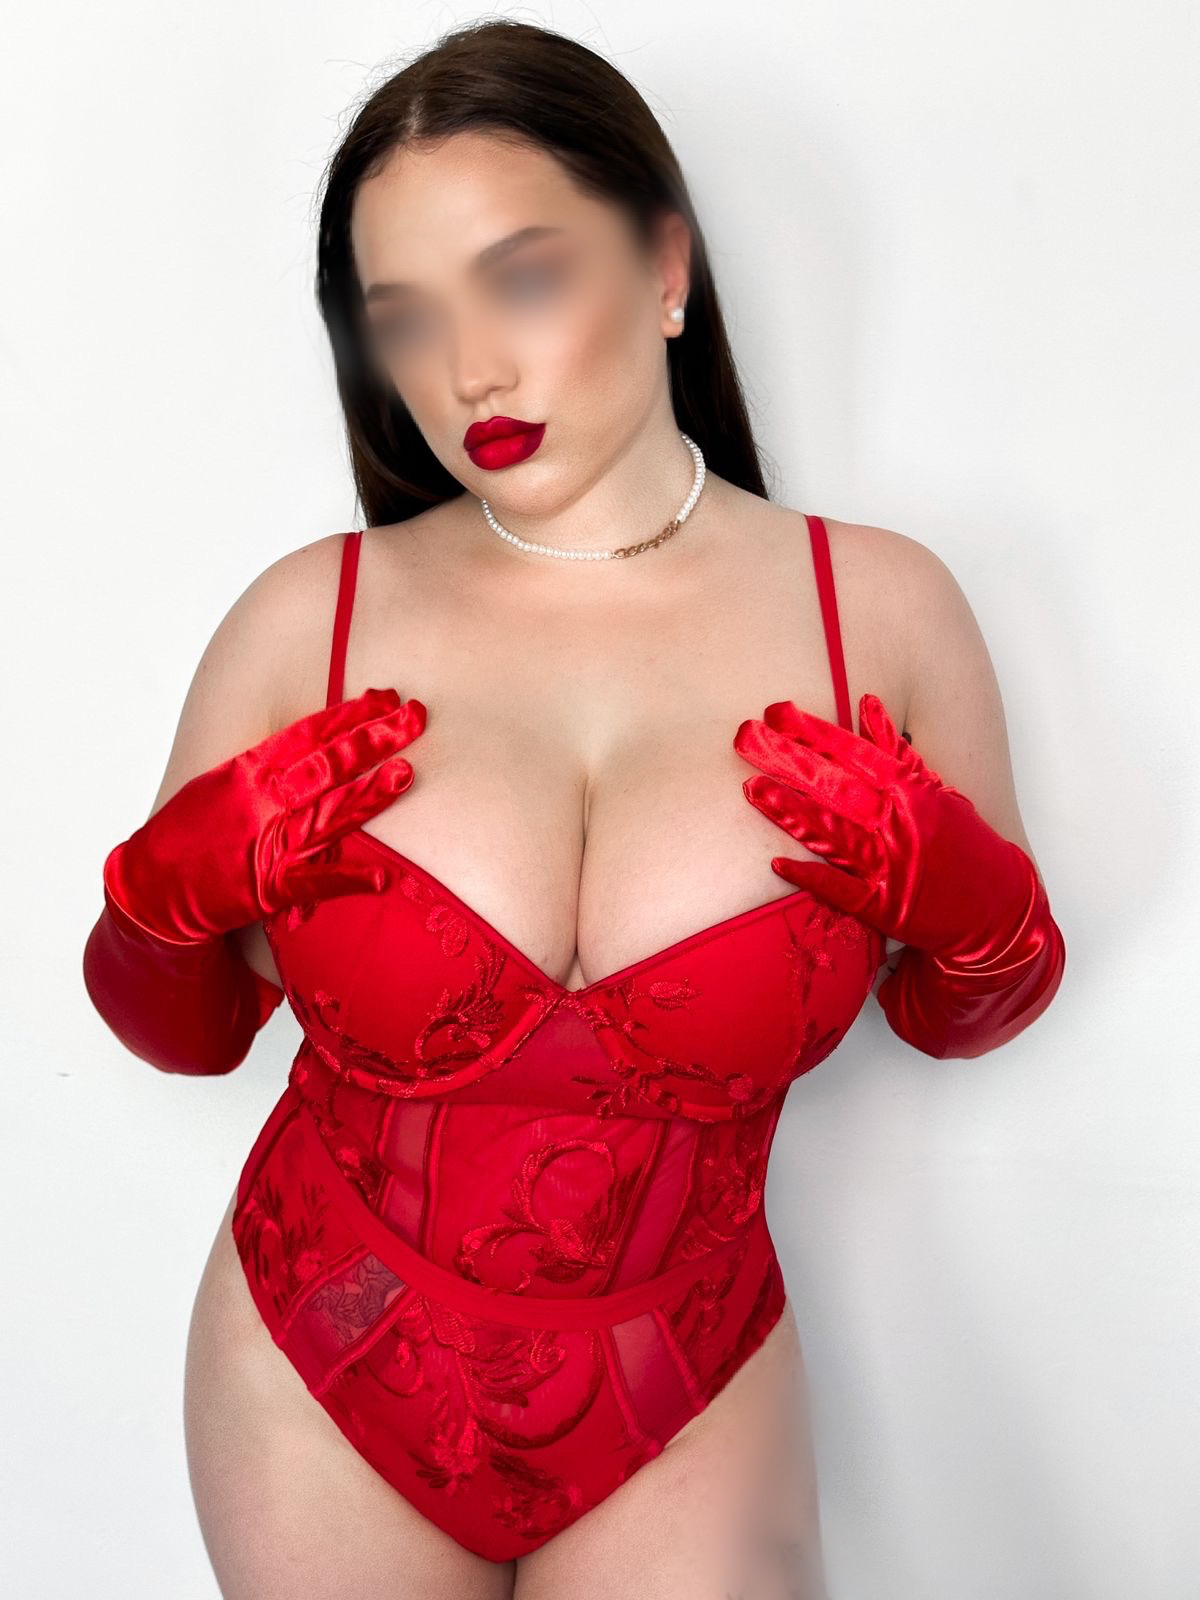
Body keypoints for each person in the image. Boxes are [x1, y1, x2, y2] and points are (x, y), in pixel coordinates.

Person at [81, 18, 1066, 1600]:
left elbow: (963, 1013)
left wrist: (984, 917)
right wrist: (157, 900)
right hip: (318, 1360)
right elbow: (183, 1032)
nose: (467, 371)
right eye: (404, 319)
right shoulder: (307, 621)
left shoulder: (878, 613)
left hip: (688, 1379)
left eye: (523, 278)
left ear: (666, 266)